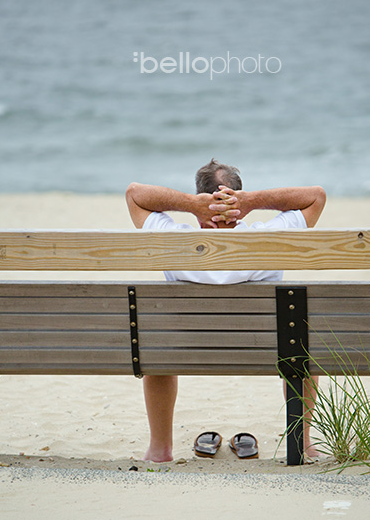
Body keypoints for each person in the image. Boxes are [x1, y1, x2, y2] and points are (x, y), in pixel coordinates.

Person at [125, 158, 326, 463]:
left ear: (201, 198)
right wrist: (253, 202)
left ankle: (159, 449)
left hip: (182, 350)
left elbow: (134, 194)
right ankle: (305, 443)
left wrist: (192, 205)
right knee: (301, 351)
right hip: (267, 351)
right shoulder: (269, 239)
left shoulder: (172, 240)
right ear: (240, 200)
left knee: (157, 351)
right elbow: (316, 197)